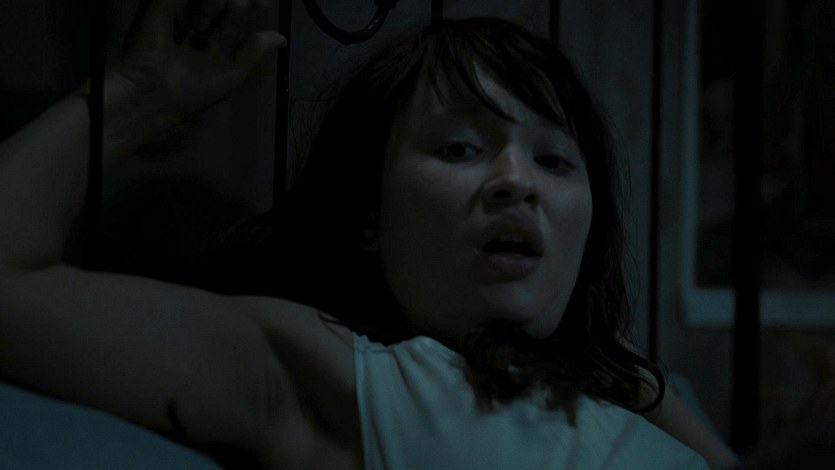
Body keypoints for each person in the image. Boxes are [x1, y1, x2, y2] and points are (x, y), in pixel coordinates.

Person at [0, 0, 737, 468]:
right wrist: (131, 102)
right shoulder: (352, 377)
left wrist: (623, 369)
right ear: (369, 218)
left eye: (554, 160)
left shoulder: (632, 394)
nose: (517, 181)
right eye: (460, 148)